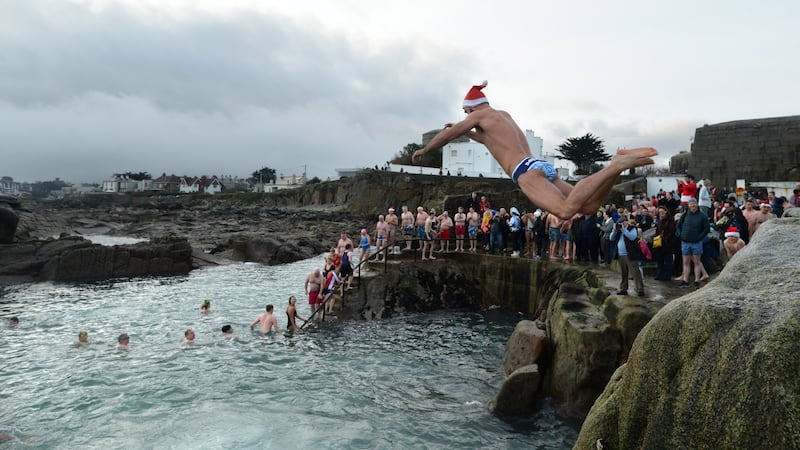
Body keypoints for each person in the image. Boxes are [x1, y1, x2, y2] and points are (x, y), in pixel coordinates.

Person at [411, 81, 657, 220]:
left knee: (565, 210)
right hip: (538, 165)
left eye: (466, 113)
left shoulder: (478, 115)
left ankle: (613, 166)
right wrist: (467, 132)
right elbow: (490, 142)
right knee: (589, 208)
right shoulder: (502, 116)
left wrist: (426, 149)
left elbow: (446, 135)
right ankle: (614, 168)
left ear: (471, 108)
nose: (465, 117)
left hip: (525, 172)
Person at [676, 198, 711, 288]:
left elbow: (706, 229)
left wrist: (699, 237)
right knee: (686, 262)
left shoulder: (702, 216)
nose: (693, 206)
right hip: (685, 241)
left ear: (697, 205)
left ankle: (697, 280)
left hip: (696, 242)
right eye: (691, 204)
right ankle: (685, 280)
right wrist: (680, 235)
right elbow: (679, 225)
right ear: (688, 206)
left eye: (694, 204)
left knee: (697, 262)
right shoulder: (685, 215)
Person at [611, 216, 645, 296]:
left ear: (626, 222)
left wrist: (624, 229)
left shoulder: (632, 228)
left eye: (623, 222)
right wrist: (614, 230)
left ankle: (640, 289)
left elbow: (632, 237)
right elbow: (611, 238)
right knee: (623, 272)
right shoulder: (618, 230)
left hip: (630, 254)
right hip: (620, 254)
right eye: (620, 223)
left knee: (635, 272)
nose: (622, 224)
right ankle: (623, 289)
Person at [653, 206, 677, 281]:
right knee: (660, 260)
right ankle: (660, 273)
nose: (661, 214)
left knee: (668, 260)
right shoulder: (659, 220)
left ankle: (667, 275)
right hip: (659, 243)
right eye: (659, 212)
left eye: (662, 212)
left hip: (667, 243)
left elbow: (671, 231)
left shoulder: (670, 220)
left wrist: (665, 239)